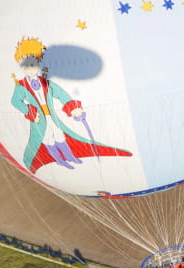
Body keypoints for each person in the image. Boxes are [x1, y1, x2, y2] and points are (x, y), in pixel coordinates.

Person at [11, 37, 131, 172]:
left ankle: (70, 156)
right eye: (25, 66)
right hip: (39, 119)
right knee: (48, 138)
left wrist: (72, 108)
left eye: (33, 65)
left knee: (59, 135)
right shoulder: (21, 86)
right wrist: (30, 111)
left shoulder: (46, 82)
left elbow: (61, 94)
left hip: (51, 116)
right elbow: (15, 101)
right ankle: (59, 160)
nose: (30, 69)